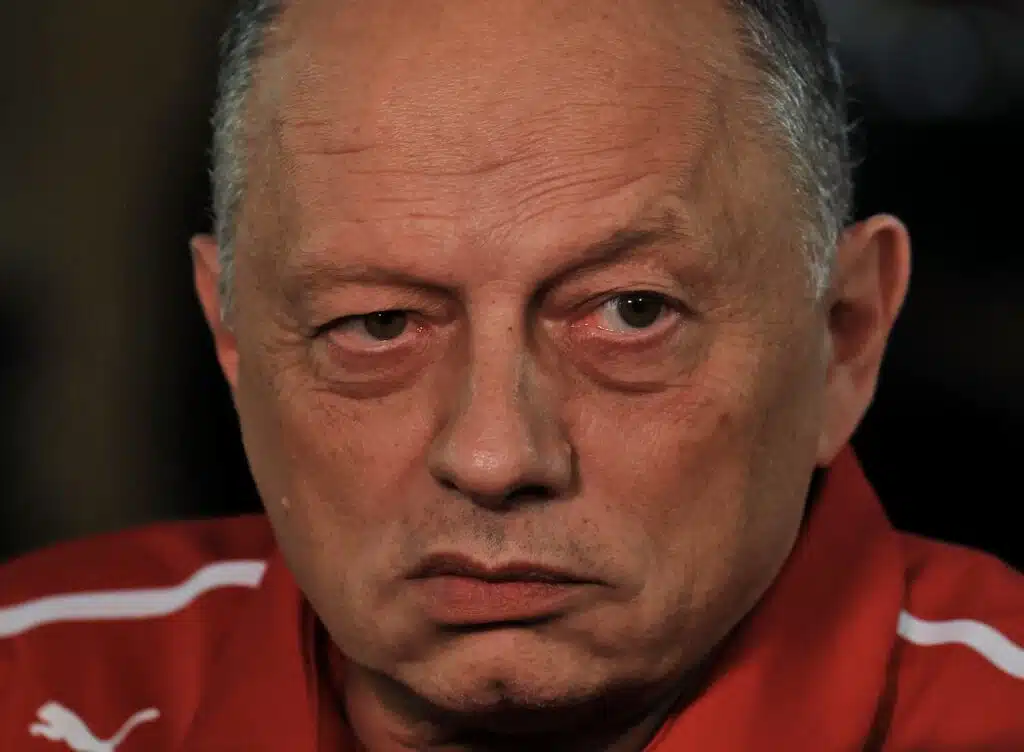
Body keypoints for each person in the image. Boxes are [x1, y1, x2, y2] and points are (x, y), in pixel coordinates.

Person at [1, 0, 1022, 749]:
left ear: (844, 336)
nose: (493, 456)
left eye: (631, 312)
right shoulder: (30, 681)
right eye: (377, 324)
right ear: (231, 339)